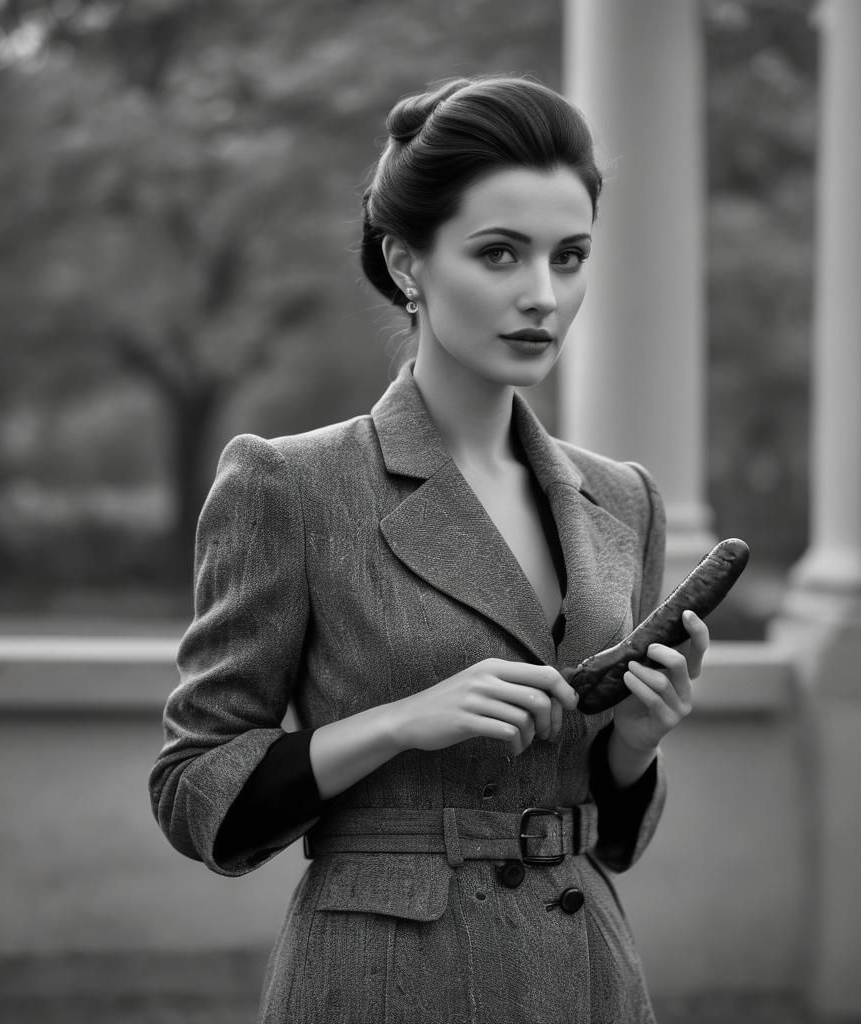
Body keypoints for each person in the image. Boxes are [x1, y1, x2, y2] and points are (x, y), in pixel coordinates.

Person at [149, 75, 709, 1024]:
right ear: (407, 263)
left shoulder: (623, 499)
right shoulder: (291, 485)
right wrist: (401, 721)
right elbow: (194, 790)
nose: (542, 295)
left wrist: (635, 748)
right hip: (383, 979)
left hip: (590, 978)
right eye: (499, 254)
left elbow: (606, 837)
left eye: (568, 257)